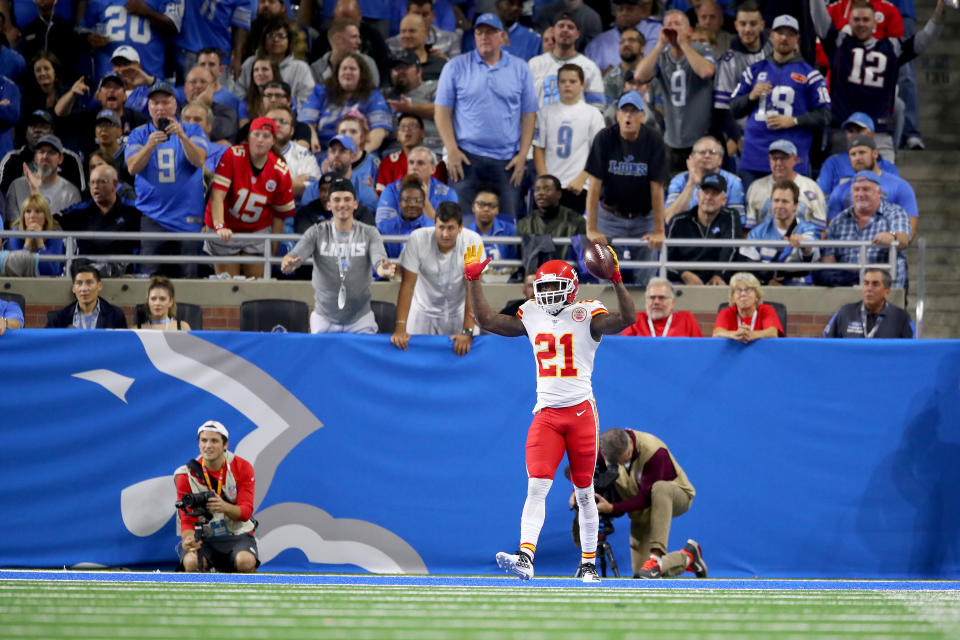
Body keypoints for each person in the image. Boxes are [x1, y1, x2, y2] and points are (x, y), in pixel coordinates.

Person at [464, 241, 636, 584]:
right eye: (543, 288)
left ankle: (588, 564)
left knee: (586, 491)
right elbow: (486, 320)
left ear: (571, 287)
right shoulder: (531, 312)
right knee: (535, 487)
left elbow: (627, 319)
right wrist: (473, 280)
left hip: (580, 413)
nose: (548, 295)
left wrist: (616, 279)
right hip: (546, 415)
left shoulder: (587, 313)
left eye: (555, 287)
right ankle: (526, 557)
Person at [811, 0, 947, 163]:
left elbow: (926, 38)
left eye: (866, 20)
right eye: (856, 19)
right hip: (843, 132)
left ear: (875, 22)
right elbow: (817, 14)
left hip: (879, 133)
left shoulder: (892, 47)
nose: (861, 24)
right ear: (849, 22)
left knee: (884, 186)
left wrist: (942, 6)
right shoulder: (838, 43)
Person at [434, 13, 537, 220]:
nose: (483, 37)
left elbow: (528, 115)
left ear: (502, 37)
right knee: (461, 223)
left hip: (507, 160)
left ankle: (502, 254)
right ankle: (468, 255)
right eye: (479, 32)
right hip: (466, 158)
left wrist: (522, 155)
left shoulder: (520, 68)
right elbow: (442, 112)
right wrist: (452, 151)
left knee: (507, 222)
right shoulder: (455, 66)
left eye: (490, 32)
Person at [281, 178, 397, 333]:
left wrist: (384, 269)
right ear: (329, 205)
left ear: (355, 204)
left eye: (347, 199)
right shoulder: (317, 232)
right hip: (324, 319)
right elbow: (294, 255)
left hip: (360, 319)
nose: (342, 204)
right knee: (322, 358)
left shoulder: (369, 232)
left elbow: (379, 260)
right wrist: (289, 263)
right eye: (337, 200)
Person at [729, 15, 831, 189]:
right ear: (771, 35)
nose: (784, 38)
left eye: (790, 34)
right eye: (780, 33)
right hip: (754, 156)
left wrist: (793, 120)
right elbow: (733, 109)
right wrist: (751, 96)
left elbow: (825, 115)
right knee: (753, 209)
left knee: (789, 209)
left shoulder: (811, 75)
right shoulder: (754, 70)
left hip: (791, 158)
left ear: (797, 38)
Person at [591, 428, 705, 579]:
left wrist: (612, 508)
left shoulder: (655, 452)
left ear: (630, 444)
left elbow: (645, 499)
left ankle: (656, 557)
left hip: (676, 495)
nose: (619, 463)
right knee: (642, 574)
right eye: (615, 462)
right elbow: (586, 470)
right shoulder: (608, 449)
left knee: (660, 488)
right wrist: (578, 493)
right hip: (641, 507)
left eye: (622, 459)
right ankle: (688, 557)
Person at [584, 91, 667, 285]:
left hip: (644, 218)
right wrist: (591, 229)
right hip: (609, 216)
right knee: (607, 280)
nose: (628, 116)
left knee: (645, 281)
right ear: (618, 115)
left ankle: (642, 316)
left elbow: (657, 188)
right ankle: (610, 315)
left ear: (642, 116)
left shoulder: (653, 140)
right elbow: (594, 186)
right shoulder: (604, 138)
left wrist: (658, 230)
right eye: (624, 111)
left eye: (634, 111)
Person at [126, 82, 207, 278]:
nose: (160, 107)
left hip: (187, 216)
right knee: (152, 277)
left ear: (175, 105)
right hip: (153, 216)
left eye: (166, 102)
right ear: (149, 107)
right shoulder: (138, 134)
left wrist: (182, 137)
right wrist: (149, 146)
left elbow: (198, 160)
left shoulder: (193, 130)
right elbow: (132, 167)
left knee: (189, 276)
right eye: (155, 103)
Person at [205, 117, 295, 279]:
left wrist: (273, 252)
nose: (260, 140)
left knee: (255, 289)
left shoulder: (280, 171)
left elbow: (279, 215)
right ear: (249, 137)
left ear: (273, 141)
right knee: (228, 286)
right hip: (227, 226)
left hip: (257, 230)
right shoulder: (232, 155)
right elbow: (217, 195)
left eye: (266, 136)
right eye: (256, 134)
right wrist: (219, 226)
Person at [390, 202, 481, 356]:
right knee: (416, 361)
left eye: (451, 228)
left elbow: (472, 290)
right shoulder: (417, 238)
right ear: (434, 224)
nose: (445, 234)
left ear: (460, 228)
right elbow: (407, 286)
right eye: (441, 227)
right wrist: (400, 327)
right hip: (422, 312)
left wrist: (467, 331)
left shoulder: (472, 241)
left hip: (458, 313)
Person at [634, 9, 715, 175]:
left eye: (677, 24)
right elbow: (639, 76)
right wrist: (659, 45)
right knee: (673, 193)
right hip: (671, 140)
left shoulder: (701, 48)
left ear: (689, 30)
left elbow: (706, 71)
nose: (672, 28)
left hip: (700, 139)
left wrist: (684, 43)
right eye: (668, 24)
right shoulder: (662, 55)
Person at [175, 420, 259, 573]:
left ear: (225, 444)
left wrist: (224, 507)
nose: (208, 446)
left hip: (237, 533)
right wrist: (188, 539)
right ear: (199, 443)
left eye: (214, 441)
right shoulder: (184, 475)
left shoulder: (242, 467)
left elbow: (246, 513)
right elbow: (186, 519)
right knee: (191, 562)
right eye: (204, 440)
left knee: (245, 561)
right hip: (204, 537)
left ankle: (246, 596)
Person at [533, 63, 605, 214]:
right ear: (557, 85)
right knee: (548, 233)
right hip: (551, 185)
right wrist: (545, 181)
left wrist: (582, 178)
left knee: (577, 234)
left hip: (579, 186)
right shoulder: (545, 113)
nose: (567, 85)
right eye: (563, 81)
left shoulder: (593, 114)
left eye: (572, 82)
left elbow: (599, 153)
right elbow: (538, 148)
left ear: (582, 85)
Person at [818, 171, 909, 289]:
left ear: (879, 192)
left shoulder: (895, 212)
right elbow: (828, 259)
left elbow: (903, 240)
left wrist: (892, 236)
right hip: (846, 285)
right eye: (856, 189)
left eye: (866, 189)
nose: (860, 194)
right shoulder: (838, 220)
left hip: (882, 284)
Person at [56, 163, 141, 278]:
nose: (96, 186)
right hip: (87, 277)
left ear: (115, 185)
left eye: (102, 182)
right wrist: (36, 192)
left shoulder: (132, 210)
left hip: (122, 277)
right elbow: (50, 221)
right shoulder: (80, 211)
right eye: (92, 182)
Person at [826, 135, 918, 238]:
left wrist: (892, 238)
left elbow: (909, 232)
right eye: (853, 154)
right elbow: (831, 233)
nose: (857, 158)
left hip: (887, 250)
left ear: (875, 154)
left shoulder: (900, 186)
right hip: (848, 251)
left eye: (862, 152)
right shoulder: (840, 190)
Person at [712, 1, 771, 162]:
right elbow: (722, 109)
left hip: (775, 131)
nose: (748, 29)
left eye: (753, 24)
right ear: (736, 25)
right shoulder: (728, 61)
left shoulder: (774, 51)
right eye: (743, 24)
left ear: (761, 25)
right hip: (745, 136)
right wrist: (737, 137)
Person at [300, 52, 392, 150]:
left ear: (361, 74)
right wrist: (312, 140)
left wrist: (360, 155)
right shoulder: (321, 92)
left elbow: (380, 131)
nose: (347, 72)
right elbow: (306, 122)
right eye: (344, 68)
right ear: (337, 73)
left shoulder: (373, 96)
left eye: (352, 69)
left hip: (357, 150)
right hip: (322, 149)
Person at [665, 172, 742, 286]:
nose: (709, 197)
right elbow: (667, 260)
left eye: (715, 193)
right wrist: (683, 274)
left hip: (718, 279)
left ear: (724, 200)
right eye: (706, 192)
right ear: (698, 196)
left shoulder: (730, 216)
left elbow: (731, 249)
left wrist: (719, 275)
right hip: (684, 281)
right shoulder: (678, 221)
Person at [740, 179, 819, 286]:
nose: (779, 206)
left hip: (801, 291)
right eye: (776, 200)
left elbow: (813, 256)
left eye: (785, 201)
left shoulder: (808, 229)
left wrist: (805, 246)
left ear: (795, 206)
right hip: (766, 291)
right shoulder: (757, 233)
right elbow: (747, 266)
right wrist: (767, 281)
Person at [79, 0, 182, 80]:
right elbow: (82, 33)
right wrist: (90, 38)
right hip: (109, 74)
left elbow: (174, 26)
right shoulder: (98, 2)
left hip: (148, 72)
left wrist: (147, 12)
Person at [744, 139, 827, 233]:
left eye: (784, 158)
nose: (779, 163)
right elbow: (748, 230)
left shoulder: (811, 188)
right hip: (765, 244)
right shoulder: (756, 187)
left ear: (795, 159)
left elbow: (820, 231)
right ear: (769, 160)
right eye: (774, 159)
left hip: (801, 243)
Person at [529, 13, 606, 108]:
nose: (565, 30)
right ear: (553, 31)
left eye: (570, 27)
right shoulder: (534, 64)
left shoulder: (589, 67)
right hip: (541, 122)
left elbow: (597, 105)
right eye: (561, 26)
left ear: (577, 34)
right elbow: (525, 101)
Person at [236, 18, 315, 111]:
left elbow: (307, 99)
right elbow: (239, 92)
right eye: (271, 36)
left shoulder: (300, 68)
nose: (276, 39)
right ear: (263, 40)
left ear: (289, 41)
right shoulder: (250, 63)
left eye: (281, 36)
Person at [0, 110, 82, 198]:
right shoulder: (12, 159)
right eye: (33, 126)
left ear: (52, 132)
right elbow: (3, 197)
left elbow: (77, 196)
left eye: (43, 126)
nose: (38, 130)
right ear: (26, 133)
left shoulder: (69, 159)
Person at [664, 135, 745, 223]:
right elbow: (669, 218)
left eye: (712, 152)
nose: (707, 156)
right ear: (692, 157)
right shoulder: (679, 180)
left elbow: (737, 222)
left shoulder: (733, 182)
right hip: (685, 233)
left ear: (720, 160)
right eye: (702, 152)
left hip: (719, 233)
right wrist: (691, 183)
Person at [816, 112, 899, 197]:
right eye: (851, 131)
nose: (854, 135)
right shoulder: (833, 163)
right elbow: (822, 195)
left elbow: (893, 196)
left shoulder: (888, 167)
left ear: (872, 134)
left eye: (859, 130)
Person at [5, 134, 81, 222]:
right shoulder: (16, 186)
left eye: (51, 152)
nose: (45, 156)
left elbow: (69, 227)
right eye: (41, 152)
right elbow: (13, 226)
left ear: (60, 158)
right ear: (35, 157)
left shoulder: (71, 192)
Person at [822, 268, 913, 338]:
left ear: (887, 292)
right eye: (866, 283)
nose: (869, 289)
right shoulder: (845, 312)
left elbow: (913, 350)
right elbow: (824, 343)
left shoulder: (901, 317)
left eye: (875, 284)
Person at [376, 145, 456, 223]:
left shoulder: (447, 193)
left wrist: (425, 203)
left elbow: (448, 228)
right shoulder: (391, 190)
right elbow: (382, 224)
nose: (414, 167)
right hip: (399, 236)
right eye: (411, 163)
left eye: (420, 163)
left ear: (433, 169)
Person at [382, 54, 442, 156]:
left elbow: (442, 110)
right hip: (395, 150)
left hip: (432, 147)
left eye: (405, 67)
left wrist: (411, 109)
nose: (400, 71)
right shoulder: (385, 94)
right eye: (396, 68)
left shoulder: (434, 87)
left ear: (419, 71)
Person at [517, 174, 586, 263]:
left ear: (559, 194)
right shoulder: (524, 224)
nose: (540, 193)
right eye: (537, 189)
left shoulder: (577, 221)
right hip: (535, 274)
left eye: (547, 189)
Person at [375, 113, 446, 194]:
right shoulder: (387, 163)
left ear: (422, 133)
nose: (407, 129)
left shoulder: (436, 164)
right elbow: (382, 198)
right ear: (397, 135)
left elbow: (439, 197)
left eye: (412, 126)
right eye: (402, 127)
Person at [45, 262, 128, 329]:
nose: (84, 288)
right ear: (73, 288)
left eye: (89, 283)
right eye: (79, 283)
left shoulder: (116, 315)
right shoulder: (58, 319)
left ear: (99, 286)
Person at [587, 0, 662, 73]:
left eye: (630, 9)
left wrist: (618, 71)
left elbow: (661, 62)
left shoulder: (656, 31)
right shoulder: (598, 42)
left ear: (641, 11)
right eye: (620, 9)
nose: (624, 13)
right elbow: (586, 73)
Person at [266, 104, 320, 202]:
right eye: (272, 121)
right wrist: (292, 183)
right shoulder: (250, 152)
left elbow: (314, 189)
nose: (277, 125)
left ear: (291, 130)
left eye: (283, 121)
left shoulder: (303, 153)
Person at [712, 272, 785, 341]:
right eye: (738, 290)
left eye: (748, 289)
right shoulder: (726, 312)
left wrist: (752, 334)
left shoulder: (766, 309)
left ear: (757, 295)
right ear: (733, 297)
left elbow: (772, 333)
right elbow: (716, 333)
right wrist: (735, 334)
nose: (743, 294)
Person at [310, 16, 380, 86]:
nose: (359, 42)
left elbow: (373, 94)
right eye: (354, 37)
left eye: (359, 37)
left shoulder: (367, 63)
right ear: (338, 39)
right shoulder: (315, 69)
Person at [621, 277, 703, 336]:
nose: (656, 302)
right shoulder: (635, 320)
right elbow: (625, 352)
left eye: (661, 298)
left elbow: (699, 350)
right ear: (646, 302)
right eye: (652, 298)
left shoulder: (686, 319)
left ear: (673, 303)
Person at [462, 0, 541, 62]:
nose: (515, 8)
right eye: (510, 3)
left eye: (519, 4)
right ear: (498, 5)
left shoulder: (533, 38)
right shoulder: (475, 36)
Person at [7, 193, 64, 276]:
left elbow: (51, 271)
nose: (32, 216)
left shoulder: (55, 235)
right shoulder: (15, 233)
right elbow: (17, 271)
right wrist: (28, 243)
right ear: (23, 216)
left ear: (46, 216)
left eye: (38, 211)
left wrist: (39, 241)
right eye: (28, 211)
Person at [377, 176, 433, 258]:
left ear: (423, 204)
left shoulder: (432, 229)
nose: (412, 205)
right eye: (407, 200)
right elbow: (377, 263)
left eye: (417, 201)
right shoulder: (384, 228)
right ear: (399, 203)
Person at [466, 186, 518, 274]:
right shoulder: (466, 233)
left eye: (491, 206)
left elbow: (513, 265)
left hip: (503, 282)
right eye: (481, 204)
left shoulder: (510, 230)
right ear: (473, 207)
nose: (486, 209)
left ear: (497, 210)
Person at [182, 65, 238, 145]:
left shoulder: (227, 113)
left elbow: (220, 132)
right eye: (193, 82)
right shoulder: (175, 111)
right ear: (185, 87)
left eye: (203, 82)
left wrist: (199, 104)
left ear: (213, 87)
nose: (198, 86)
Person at [386, 13, 446, 81]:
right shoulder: (392, 66)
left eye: (412, 31)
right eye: (403, 31)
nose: (407, 35)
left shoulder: (440, 65)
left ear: (425, 33)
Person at [534, 0, 602, 51]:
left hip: (579, 65)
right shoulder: (545, 12)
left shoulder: (592, 18)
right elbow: (541, 43)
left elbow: (592, 50)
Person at [601, 28, 645, 105]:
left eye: (631, 40)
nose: (626, 44)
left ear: (643, 48)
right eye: (622, 41)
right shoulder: (610, 77)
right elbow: (609, 111)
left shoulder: (653, 73)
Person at [238, 55, 282, 124]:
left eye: (265, 69)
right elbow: (245, 131)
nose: (260, 73)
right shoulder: (245, 104)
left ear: (274, 72)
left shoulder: (286, 99)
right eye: (256, 70)